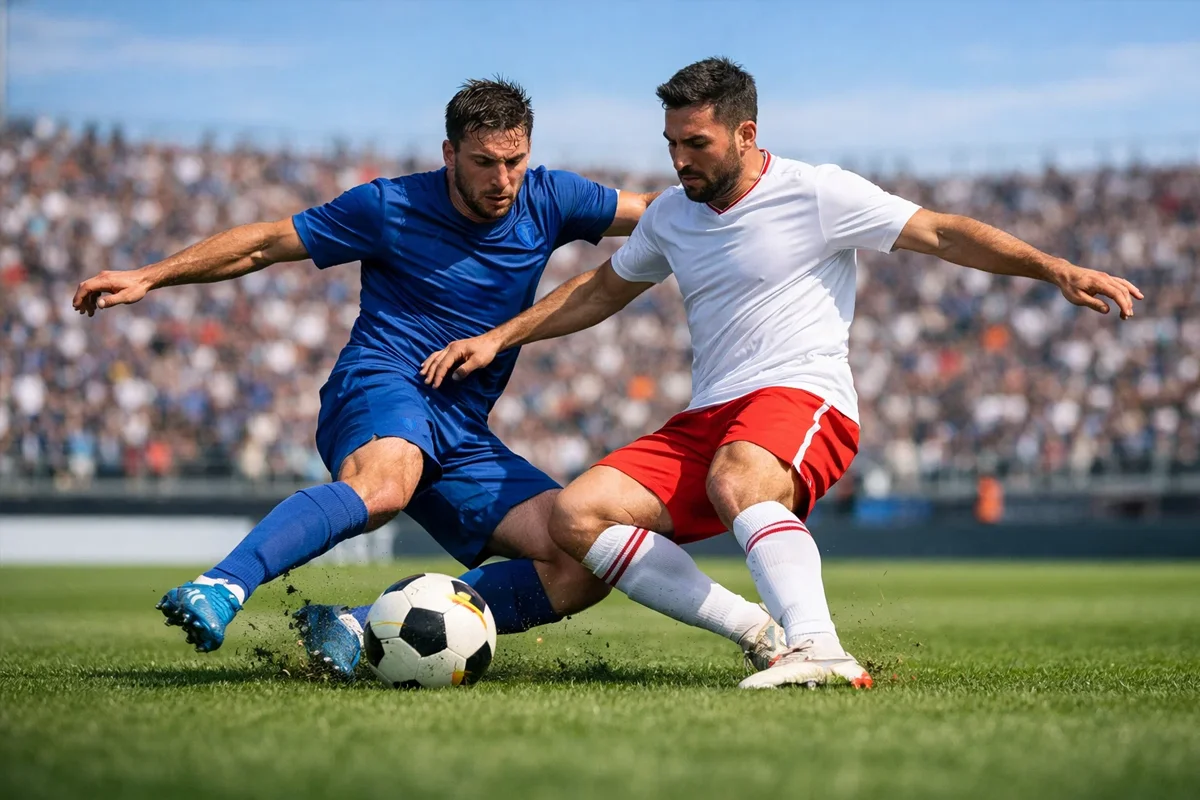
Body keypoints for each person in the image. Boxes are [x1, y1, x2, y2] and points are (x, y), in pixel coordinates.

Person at [418, 57, 1144, 689]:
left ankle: (819, 647)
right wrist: (499, 338)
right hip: (710, 415)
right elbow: (602, 289)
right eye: (671, 144)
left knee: (739, 477)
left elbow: (941, 232)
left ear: (745, 134)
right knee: (579, 514)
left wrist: (1053, 268)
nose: (679, 161)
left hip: (803, 396)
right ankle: (760, 634)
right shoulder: (672, 215)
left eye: (695, 144)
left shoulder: (817, 192)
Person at [69, 78, 709, 675]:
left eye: (514, 161)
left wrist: (744, 189)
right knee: (384, 487)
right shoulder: (389, 205)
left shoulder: (550, 196)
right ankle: (220, 585)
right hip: (384, 381)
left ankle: (354, 626)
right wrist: (149, 275)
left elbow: (656, 210)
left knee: (581, 561)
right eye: (484, 162)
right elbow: (266, 243)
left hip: (461, 429)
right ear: (449, 154)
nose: (502, 180)